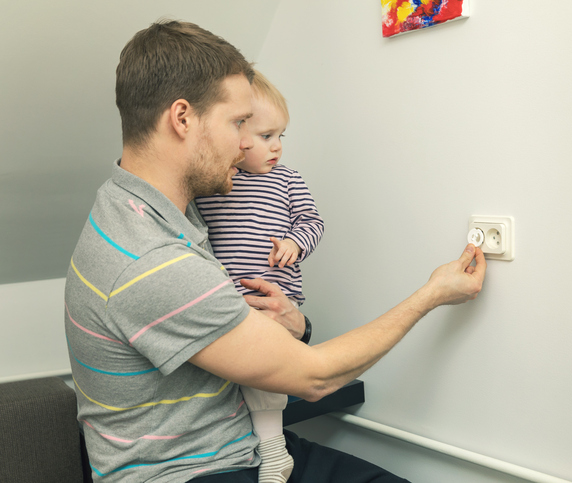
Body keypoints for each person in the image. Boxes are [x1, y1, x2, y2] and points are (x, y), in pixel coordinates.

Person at [64, 20, 486, 483]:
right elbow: (315, 378)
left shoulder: (161, 208)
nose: (247, 143)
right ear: (182, 119)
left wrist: (297, 324)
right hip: (186, 474)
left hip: (243, 448)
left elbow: (240, 336)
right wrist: (433, 293)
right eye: (238, 123)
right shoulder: (148, 258)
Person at [195, 69, 324, 483]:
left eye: (281, 136)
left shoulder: (287, 180)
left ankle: (273, 451)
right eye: (267, 136)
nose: (278, 148)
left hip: (275, 299)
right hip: (230, 301)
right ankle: (255, 446)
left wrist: (296, 242)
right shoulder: (215, 185)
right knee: (232, 377)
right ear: (237, 136)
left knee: (264, 375)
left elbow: (313, 221)